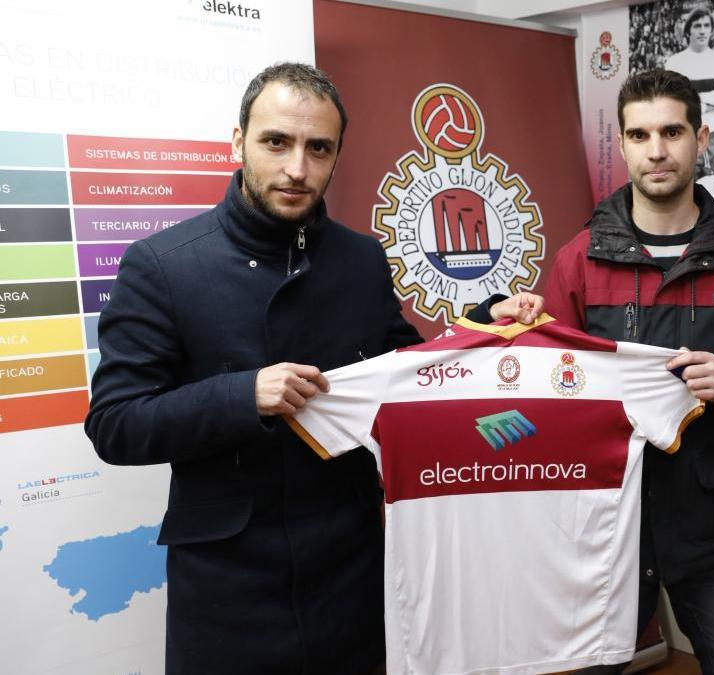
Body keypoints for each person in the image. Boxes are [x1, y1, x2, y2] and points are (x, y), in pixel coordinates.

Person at [84, 63, 541, 675]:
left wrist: (486, 323)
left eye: (317, 148)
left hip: (350, 571)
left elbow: (405, 375)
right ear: (237, 141)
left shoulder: (359, 257)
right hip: (228, 588)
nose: (297, 169)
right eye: (277, 142)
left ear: (335, 156)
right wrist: (242, 395)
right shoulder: (162, 265)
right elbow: (114, 424)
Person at [544, 69, 714, 674]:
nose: (656, 151)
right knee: (593, 665)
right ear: (624, 143)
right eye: (638, 135)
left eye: (671, 132)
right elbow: (554, 372)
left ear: (701, 138)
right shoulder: (578, 261)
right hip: (609, 521)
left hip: (713, 517)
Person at [666, 7, 714, 176]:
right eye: (697, 26)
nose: (702, 30)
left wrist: (698, 99)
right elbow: (673, 103)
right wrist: (711, 103)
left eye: (707, 25)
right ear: (688, 30)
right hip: (685, 137)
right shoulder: (675, 62)